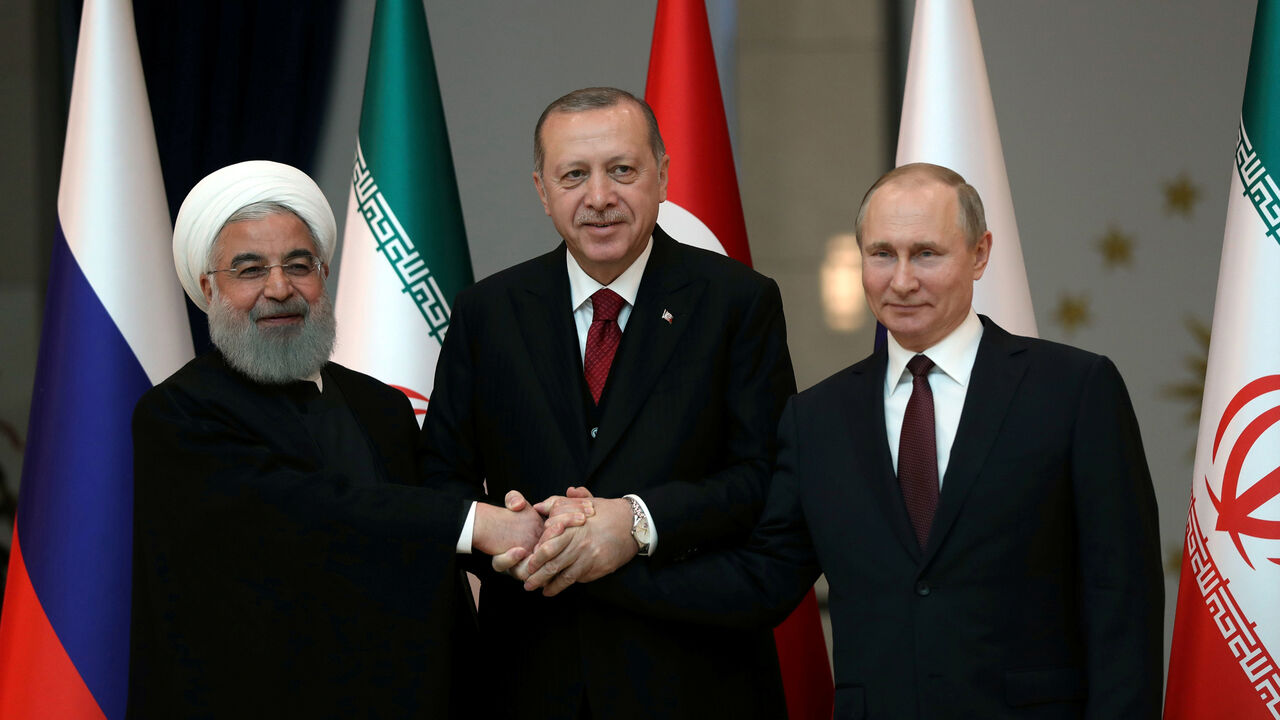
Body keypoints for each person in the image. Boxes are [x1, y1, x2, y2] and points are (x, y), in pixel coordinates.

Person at [557, 163, 1165, 719]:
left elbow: (1122, 601)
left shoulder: (1075, 389)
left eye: (926, 254)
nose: (901, 281)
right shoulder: (818, 418)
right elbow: (761, 579)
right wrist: (600, 557)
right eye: (882, 254)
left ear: (980, 255)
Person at [128, 160, 559, 718]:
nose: (279, 288)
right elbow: (301, 518)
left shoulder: (381, 406)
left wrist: (542, 535)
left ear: (324, 274)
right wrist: (479, 524)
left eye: (298, 265)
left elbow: (426, 539)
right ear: (209, 287)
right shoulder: (177, 414)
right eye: (250, 269)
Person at [421, 87, 796, 718]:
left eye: (622, 170)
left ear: (663, 176)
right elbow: (439, 480)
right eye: (574, 175)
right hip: (529, 679)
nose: (599, 197)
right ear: (542, 190)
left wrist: (640, 521)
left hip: (695, 680)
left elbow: (766, 478)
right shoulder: (487, 313)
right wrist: (512, 544)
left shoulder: (738, 303)